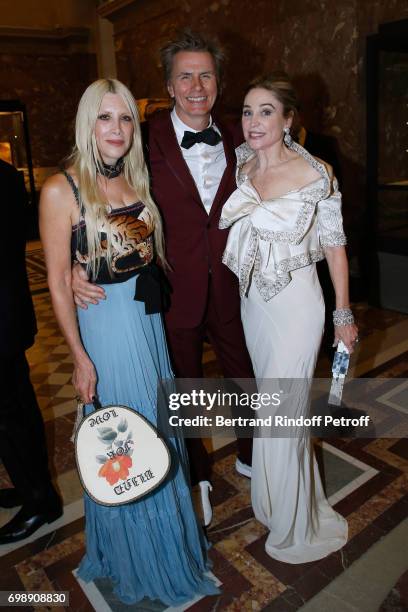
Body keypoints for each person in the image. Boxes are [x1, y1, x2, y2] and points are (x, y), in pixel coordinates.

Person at [39, 78, 218, 605]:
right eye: (104, 118)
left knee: (159, 436)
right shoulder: (61, 189)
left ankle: (167, 548)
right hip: (106, 334)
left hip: (147, 327)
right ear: (86, 123)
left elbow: (140, 255)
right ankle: (138, 556)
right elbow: (53, 281)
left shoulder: (135, 181)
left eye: (124, 120)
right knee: (126, 443)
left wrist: (86, 262)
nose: (116, 129)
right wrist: (78, 356)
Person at [71, 31, 254, 526]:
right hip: (170, 290)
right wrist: (74, 258)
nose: (197, 86)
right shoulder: (141, 134)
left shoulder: (243, 133)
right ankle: (198, 478)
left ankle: (255, 458)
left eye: (206, 74)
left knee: (246, 380)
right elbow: (91, 187)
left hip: (239, 285)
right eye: (185, 76)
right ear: (170, 86)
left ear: (218, 80)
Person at [219, 72, 359, 563]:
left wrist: (343, 313)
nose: (253, 122)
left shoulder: (317, 174)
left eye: (265, 112)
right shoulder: (240, 166)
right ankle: (279, 501)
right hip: (253, 303)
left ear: (288, 119)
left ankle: (295, 523)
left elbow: (335, 247)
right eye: (247, 112)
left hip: (299, 308)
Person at [0, 159, 62, 545]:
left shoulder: (3, 178)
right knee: (11, 414)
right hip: (6, 317)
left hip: (1, 321)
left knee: (12, 415)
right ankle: (29, 487)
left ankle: (40, 499)